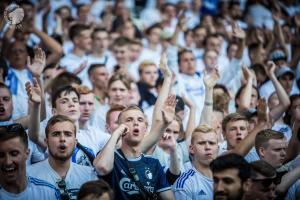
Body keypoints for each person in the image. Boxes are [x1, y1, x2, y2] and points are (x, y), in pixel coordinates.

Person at [93, 53, 175, 200]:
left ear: (145, 128)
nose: (136, 123)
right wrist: (118, 132)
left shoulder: (153, 163)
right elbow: (102, 167)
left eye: (139, 120)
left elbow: (157, 119)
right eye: (129, 120)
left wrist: (167, 78)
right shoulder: (110, 155)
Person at [27, 115, 98, 200]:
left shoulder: (89, 175)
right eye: (56, 134)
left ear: (75, 143)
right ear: (46, 142)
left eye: (68, 134)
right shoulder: (28, 176)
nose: (62, 139)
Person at [0, 123, 60, 200]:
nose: (8, 162)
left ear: (27, 154)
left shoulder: (49, 192)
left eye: (14, 154)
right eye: (1, 155)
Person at [173, 125, 219, 199]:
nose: (208, 147)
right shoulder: (184, 183)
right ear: (191, 149)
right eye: (202, 143)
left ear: (218, 148)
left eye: (212, 143)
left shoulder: (229, 178)